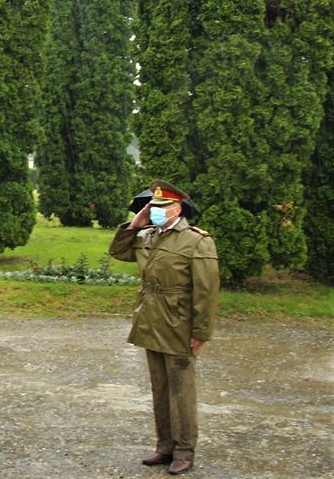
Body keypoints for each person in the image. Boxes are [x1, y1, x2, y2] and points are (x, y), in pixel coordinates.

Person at [108, 179, 219, 476]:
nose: (156, 211)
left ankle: (184, 450)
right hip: (150, 319)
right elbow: (118, 251)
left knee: (181, 390)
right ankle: (165, 446)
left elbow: (206, 291)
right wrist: (134, 224)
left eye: (162, 206)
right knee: (160, 388)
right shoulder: (146, 236)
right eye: (153, 206)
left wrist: (201, 332)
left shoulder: (196, 241)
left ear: (177, 209)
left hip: (179, 322)